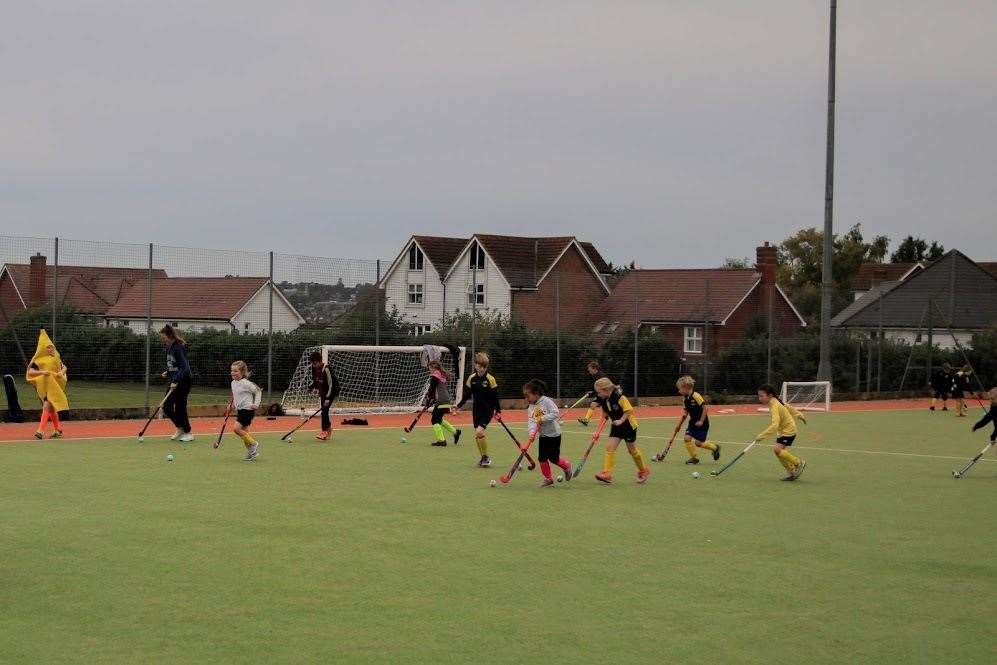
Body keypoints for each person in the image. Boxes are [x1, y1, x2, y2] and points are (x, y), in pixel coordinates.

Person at [592, 377, 650, 484]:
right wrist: (597, 431)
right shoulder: (604, 400)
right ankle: (607, 474)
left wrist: (621, 420)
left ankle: (643, 470)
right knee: (610, 447)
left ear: (605, 390)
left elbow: (629, 410)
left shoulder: (619, 397)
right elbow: (604, 416)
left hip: (628, 425)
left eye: (599, 392)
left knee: (632, 450)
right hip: (616, 426)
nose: (598, 395)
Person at [522, 379, 572, 487]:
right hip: (543, 435)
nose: (526, 399)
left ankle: (567, 466)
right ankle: (548, 478)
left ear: (536, 394)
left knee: (554, 459)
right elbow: (531, 422)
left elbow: (555, 413)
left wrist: (543, 418)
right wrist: (531, 433)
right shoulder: (531, 407)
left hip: (554, 434)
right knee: (542, 458)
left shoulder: (546, 401)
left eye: (528, 396)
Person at [455, 352, 500, 467]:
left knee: (479, 431)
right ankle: (483, 458)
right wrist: (459, 405)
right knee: (477, 434)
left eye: (481, 366)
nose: (479, 367)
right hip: (476, 410)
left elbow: (495, 396)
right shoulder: (472, 378)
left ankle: (485, 457)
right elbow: (467, 394)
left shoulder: (491, 379)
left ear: (484, 367)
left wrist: (498, 411)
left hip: (487, 410)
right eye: (477, 365)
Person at [755, 384, 807, 481]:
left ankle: (798, 463)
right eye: (759, 396)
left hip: (789, 431)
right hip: (783, 431)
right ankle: (792, 472)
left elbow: (775, 425)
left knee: (777, 450)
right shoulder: (774, 401)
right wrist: (798, 414)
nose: (760, 398)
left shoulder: (774, 405)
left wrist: (762, 435)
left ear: (770, 396)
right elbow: (787, 406)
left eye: (762, 396)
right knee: (777, 451)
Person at [25, 329, 68, 439]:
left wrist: (60, 373)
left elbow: (64, 368)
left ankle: (40, 431)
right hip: (46, 387)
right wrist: (43, 372)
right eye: (48, 347)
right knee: (51, 407)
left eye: (51, 347)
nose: (50, 349)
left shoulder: (57, 358)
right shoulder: (39, 360)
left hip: (56, 386)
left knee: (47, 405)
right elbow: (30, 371)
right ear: (43, 348)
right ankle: (58, 429)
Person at [674, 375, 721, 465]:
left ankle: (715, 448)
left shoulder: (696, 396)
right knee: (687, 438)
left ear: (686, 388)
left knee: (698, 443)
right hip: (692, 423)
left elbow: (705, 409)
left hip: (703, 424)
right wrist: (678, 426)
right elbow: (685, 413)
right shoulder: (684, 399)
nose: (679, 391)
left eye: (680, 389)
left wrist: (701, 421)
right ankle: (694, 458)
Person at [160, 324, 193, 442]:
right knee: (167, 407)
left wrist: (176, 381)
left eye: (163, 338)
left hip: (183, 380)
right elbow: (174, 365)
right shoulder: (170, 347)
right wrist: (168, 372)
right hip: (175, 379)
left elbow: (184, 367)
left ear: (169, 336)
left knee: (180, 407)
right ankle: (180, 428)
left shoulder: (178, 347)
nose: (162, 340)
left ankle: (188, 432)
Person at [230, 361, 263, 460]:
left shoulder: (246, 383)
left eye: (236, 371)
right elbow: (235, 395)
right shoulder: (233, 383)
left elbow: (258, 391)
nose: (233, 373)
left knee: (236, 429)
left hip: (247, 410)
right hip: (240, 410)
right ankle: (252, 453)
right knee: (245, 433)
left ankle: (253, 443)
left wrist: (256, 404)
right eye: (232, 370)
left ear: (242, 372)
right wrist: (231, 405)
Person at [425, 359, 461, 447]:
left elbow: (432, 390)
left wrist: (429, 400)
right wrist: (432, 400)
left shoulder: (435, 375)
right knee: (438, 419)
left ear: (433, 367)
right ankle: (455, 432)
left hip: (442, 400)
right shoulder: (441, 374)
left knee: (434, 420)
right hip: (446, 399)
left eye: (430, 368)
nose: (429, 370)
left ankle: (441, 441)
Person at [309, 351, 340, 441]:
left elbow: (331, 385)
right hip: (323, 392)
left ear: (319, 361)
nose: (313, 365)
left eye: (315, 363)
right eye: (312, 363)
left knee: (324, 411)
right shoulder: (314, 368)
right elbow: (315, 380)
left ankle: (324, 432)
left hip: (331, 391)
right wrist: (311, 387)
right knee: (324, 411)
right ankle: (329, 428)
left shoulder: (326, 369)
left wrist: (327, 398)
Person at [577, 360, 607, 426]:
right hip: (600, 394)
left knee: (606, 411)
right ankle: (586, 420)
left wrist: (593, 392)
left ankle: (621, 420)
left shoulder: (601, 375)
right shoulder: (594, 375)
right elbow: (595, 386)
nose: (588, 370)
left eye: (589, 368)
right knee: (593, 405)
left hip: (606, 394)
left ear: (594, 368)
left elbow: (603, 385)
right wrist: (591, 392)